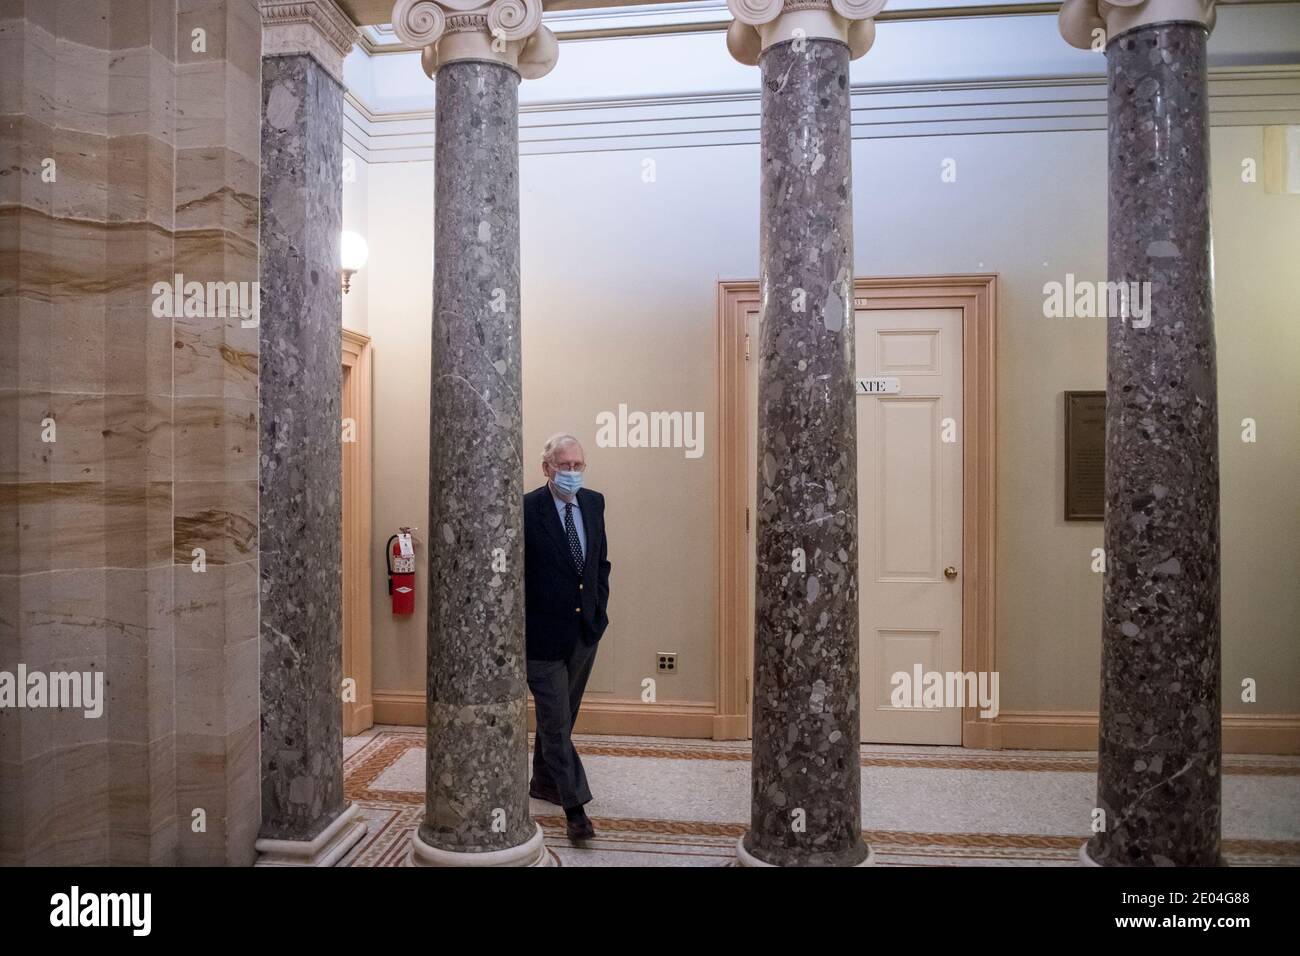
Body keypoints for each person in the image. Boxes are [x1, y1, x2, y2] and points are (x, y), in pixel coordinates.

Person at [524, 433, 611, 841]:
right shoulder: (526, 509)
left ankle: (543, 781)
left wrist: (598, 614)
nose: (572, 473)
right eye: (565, 465)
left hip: (583, 633)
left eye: (578, 465)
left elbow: (599, 562)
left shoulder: (594, 502)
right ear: (547, 468)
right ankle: (576, 810)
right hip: (541, 638)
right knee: (556, 723)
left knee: (563, 717)